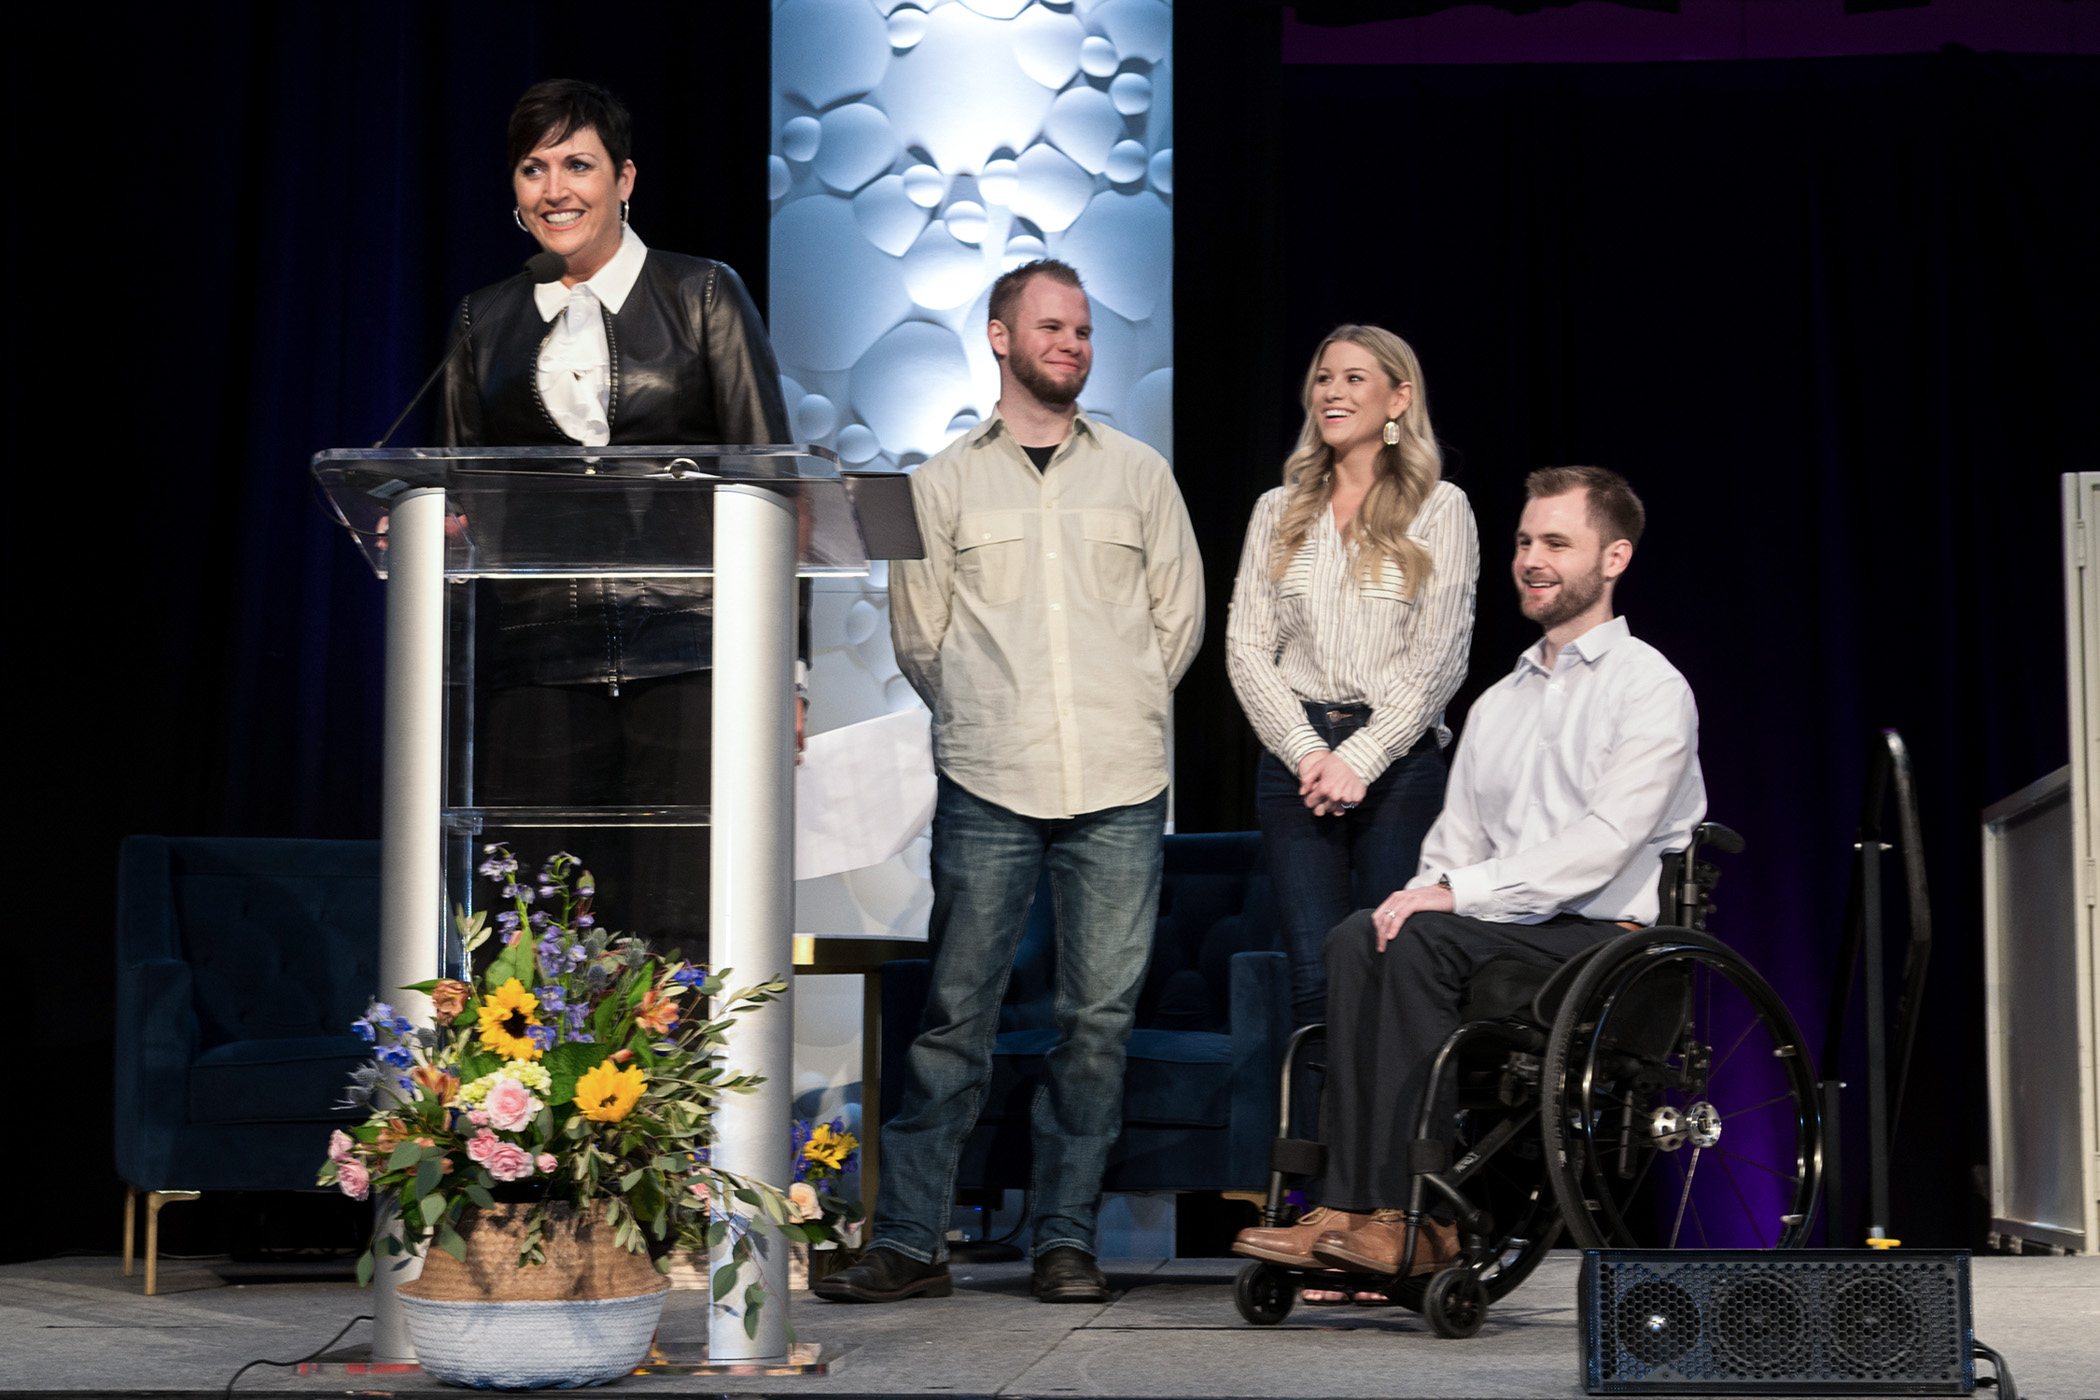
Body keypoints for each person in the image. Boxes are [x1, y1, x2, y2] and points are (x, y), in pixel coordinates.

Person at [814, 260, 1205, 1306]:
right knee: (954, 1017)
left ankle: (1066, 1238)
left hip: (1119, 783)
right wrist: (994, 715)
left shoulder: (1139, 473)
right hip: (990, 779)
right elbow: (920, 636)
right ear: (999, 337)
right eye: (1052, 326)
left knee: (1096, 1021)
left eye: (1083, 328)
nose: (1074, 341)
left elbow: (1179, 620)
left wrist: (1116, 702)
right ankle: (909, 1239)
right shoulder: (939, 482)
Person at [1232, 466, 1704, 1279]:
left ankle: (1412, 1220)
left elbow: (1603, 844)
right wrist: (1421, 897)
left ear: (1614, 558)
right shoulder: (1498, 704)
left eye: (1557, 542)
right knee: (1358, 938)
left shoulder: (1651, 689)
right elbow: (1457, 841)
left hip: (1608, 941)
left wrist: (1455, 897)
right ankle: (1343, 1204)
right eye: (1525, 542)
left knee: (1425, 943)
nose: (1532, 558)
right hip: (1508, 934)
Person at [439, 79, 801, 940]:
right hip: (533, 668)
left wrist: (790, 673)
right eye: (534, 168)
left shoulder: (705, 295)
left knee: (680, 925)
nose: (555, 189)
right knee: (533, 931)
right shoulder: (481, 321)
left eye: (578, 164)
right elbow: (458, 505)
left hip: (686, 657)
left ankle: (679, 1084)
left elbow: (776, 494)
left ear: (625, 178)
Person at [1225, 325, 1478, 1032]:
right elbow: (1247, 647)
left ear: (1399, 398)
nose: (1332, 392)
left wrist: (1360, 758)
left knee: (1387, 968)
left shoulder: (1441, 508)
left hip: (1397, 769)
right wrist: (1309, 753)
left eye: (1354, 378)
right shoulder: (1279, 509)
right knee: (1313, 981)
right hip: (1296, 764)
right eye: (1324, 378)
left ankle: (1386, 1145)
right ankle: (1321, 1145)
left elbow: (1440, 657)